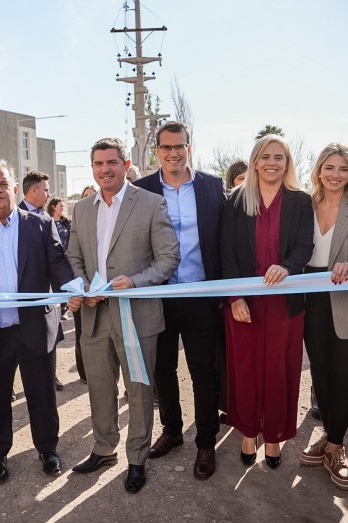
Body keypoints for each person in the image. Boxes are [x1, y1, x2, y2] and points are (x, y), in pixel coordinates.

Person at [67, 137, 180, 493]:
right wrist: (82, 286)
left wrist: (135, 281)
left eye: (112, 162)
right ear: (92, 168)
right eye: (98, 164)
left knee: (139, 390)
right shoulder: (81, 209)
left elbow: (168, 257)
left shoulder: (150, 203)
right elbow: (73, 257)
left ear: (126, 165)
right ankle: (104, 448)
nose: (105, 170)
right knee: (100, 387)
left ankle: (137, 458)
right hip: (94, 316)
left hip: (137, 315)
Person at [0, 160, 73, 484]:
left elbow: (58, 265)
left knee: (42, 395)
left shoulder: (40, 225)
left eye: (3, 184)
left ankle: (47, 449)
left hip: (35, 327)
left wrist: (72, 291)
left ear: (15, 189)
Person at [133, 121, 225, 480]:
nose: (174, 153)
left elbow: (225, 237)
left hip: (201, 294)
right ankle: (172, 430)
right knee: (163, 369)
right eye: (167, 147)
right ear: (157, 151)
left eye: (180, 146)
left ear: (189, 148)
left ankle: (206, 442)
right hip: (158, 295)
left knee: (204, 371)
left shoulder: (212, 186)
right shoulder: (141, 189)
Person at [219, 134, 313, 469]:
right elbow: (226, 251)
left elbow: (305, 246)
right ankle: (248, 432)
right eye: (266, 156)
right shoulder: (235, 200)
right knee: (245, 370)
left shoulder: (301, 201)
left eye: (279, 157)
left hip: (285, 303)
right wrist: (235, 298)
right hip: (244, 303)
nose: (272, 163)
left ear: (287, 163)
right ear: (255, 161)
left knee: (280, 370)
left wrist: (287, 266)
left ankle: (274, 436)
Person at [300, 144, 348, 490]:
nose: (335, 175)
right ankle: (329, 440)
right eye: (329, 167)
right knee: (321, 372)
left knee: (345, 375)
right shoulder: (305, 205)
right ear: (318, 170)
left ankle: (335, 446)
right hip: (311, 299)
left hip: (347, 298)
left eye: (343, 169)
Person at [20, 170, 65, 391]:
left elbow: (56, 259)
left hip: (46, 300)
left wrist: (66, 292)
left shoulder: (47, 219)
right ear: (34, 190)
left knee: (49, 343)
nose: (48, 194)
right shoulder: (13, 217)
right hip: (20, 303)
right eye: (46, 190)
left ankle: (51, 376)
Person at [72, 184, 98, 385]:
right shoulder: (78, 217)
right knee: (83, 333)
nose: (88, 198)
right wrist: (83, 285)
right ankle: (84, 373)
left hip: (108, 290)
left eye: (92, 195)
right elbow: (73, 255)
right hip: (84, 289)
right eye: (85, 195)